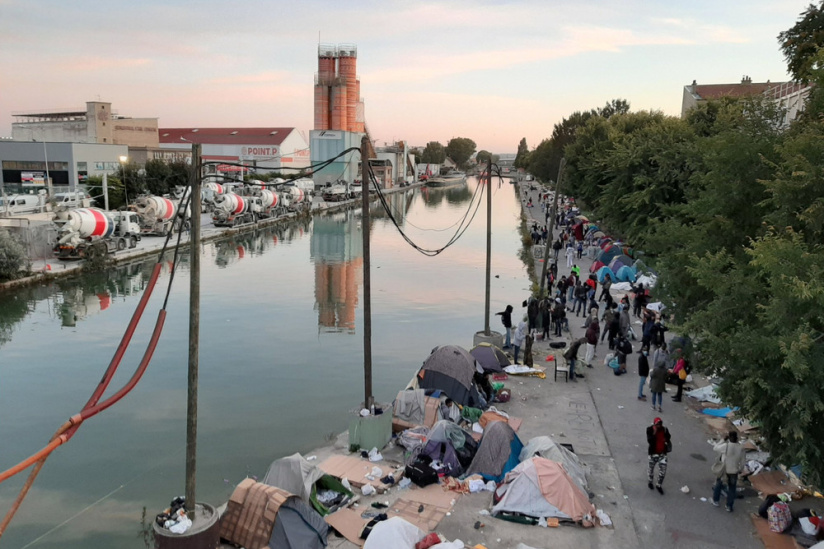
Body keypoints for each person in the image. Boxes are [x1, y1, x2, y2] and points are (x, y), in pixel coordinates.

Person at [712, 431, 746, 512]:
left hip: (725, 470)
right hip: (734, 471)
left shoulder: (726, 446)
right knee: (732, 488)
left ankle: (716, 501)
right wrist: (740, 469)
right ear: (737, 438)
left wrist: (722, 440)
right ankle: (729, 506)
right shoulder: (741, 448)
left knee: (719, 484)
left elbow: (715, 448)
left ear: (729, 437)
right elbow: (743, 461)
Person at [646, 417, 671, 494]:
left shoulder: (665, 429)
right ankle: (650, 482)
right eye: (657, 424)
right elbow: (649, 440)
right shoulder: (649, 429)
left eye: (660, 424)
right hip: (653, 454)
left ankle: (658, 485)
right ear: (654, 424)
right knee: (651, 469)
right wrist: (654, 432)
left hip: (662, 454)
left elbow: (669, 437)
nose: (659, 426)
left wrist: (665, 439)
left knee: (663, 472)